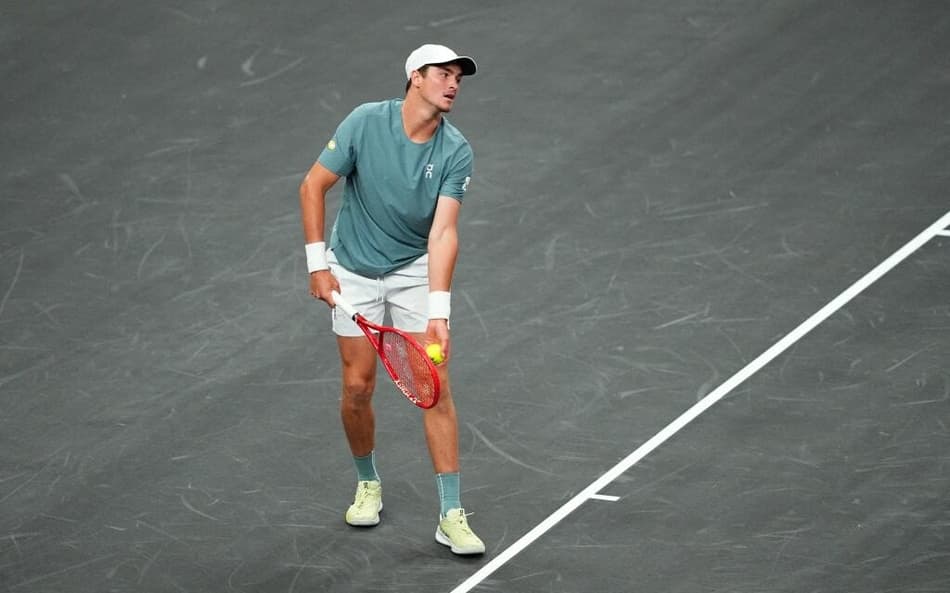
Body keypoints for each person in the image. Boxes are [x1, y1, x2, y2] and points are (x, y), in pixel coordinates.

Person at [298, 44, 485, 555]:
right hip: (352, 269)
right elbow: (314, 186)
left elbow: (443, 234)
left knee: (436, 386)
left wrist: (438, 311)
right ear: (415, 78)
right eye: (443, 75)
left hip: (411, 273)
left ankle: (450, 513)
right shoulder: (364, 122)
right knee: (358, 385)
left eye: (458, 78)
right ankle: (368, 482)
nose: (452, 84)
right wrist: (318, 264)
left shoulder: (455, 151)